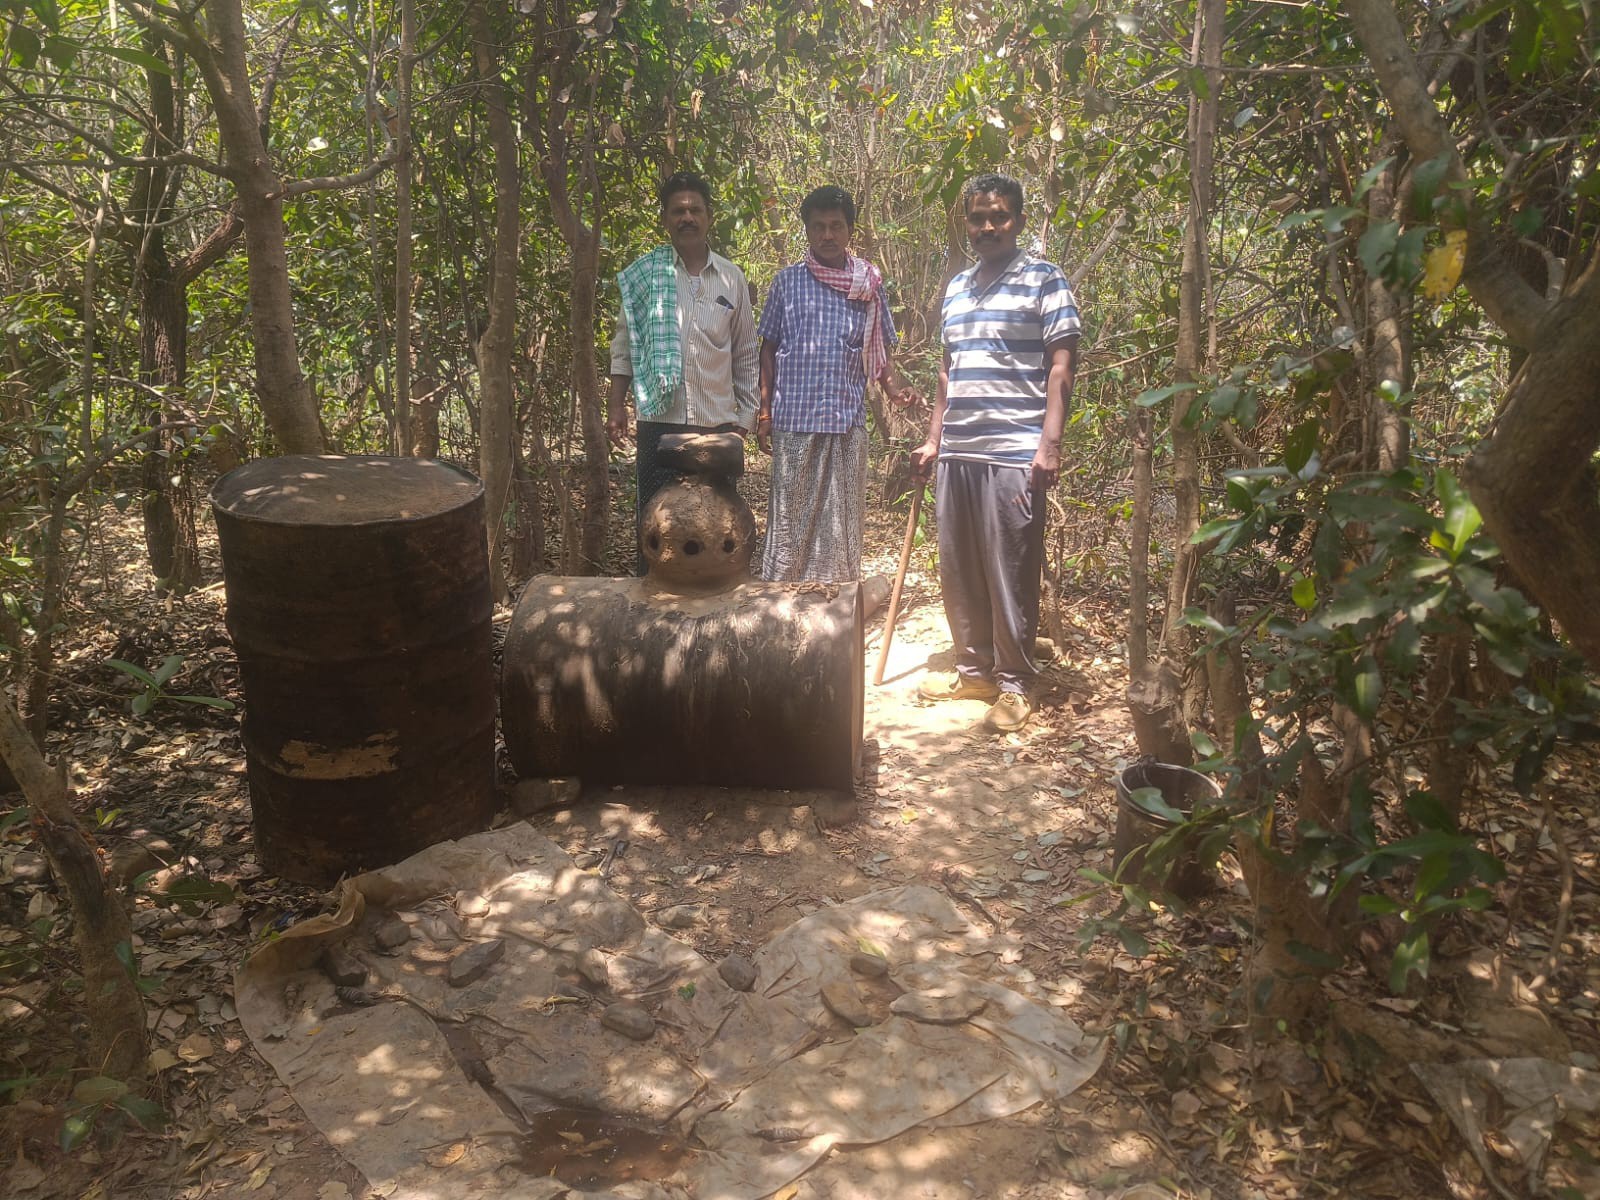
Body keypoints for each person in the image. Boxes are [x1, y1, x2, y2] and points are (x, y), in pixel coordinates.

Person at [911, 173, 1081, 733]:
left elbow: (1062, 366)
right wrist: (934, 438)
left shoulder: (1045, 279)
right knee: (959, 568)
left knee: (1010, 570)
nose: (988, 227)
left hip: (1014, 451)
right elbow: (947, 371)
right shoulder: (957, 288)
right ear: (966, 224)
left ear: (1019, 221)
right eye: (978, 218)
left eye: (999, 216)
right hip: (958, 451)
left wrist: (1049, 444)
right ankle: (974, 672)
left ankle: (1015, 682)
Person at [754, 186, 920, 583]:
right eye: (818, 226)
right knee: (790, 524)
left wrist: (895, 390)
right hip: (794, 422)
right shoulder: (787, 283)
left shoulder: (868, 286)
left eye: (836, 226)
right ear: (807, 231)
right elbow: (768, 350)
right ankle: (783, 600)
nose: (827, 235)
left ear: (850, 231)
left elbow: (879, 352)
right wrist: (764, 412)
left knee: (840, 525)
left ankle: (835, 600)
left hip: (846, 422)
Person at [607, 171, 759, 573]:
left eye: (695, 210)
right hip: (660, 423)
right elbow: (625, 346)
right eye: (678, 211)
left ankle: (719, 609)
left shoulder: (731, 277)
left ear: (709, 217)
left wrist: (744, 421)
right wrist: (616, 406)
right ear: (665, 218)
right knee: (656, 531)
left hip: (717, 426)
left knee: (717, 533)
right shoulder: (645, 276)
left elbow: (745, 353)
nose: (687, 217)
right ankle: (651, 609)